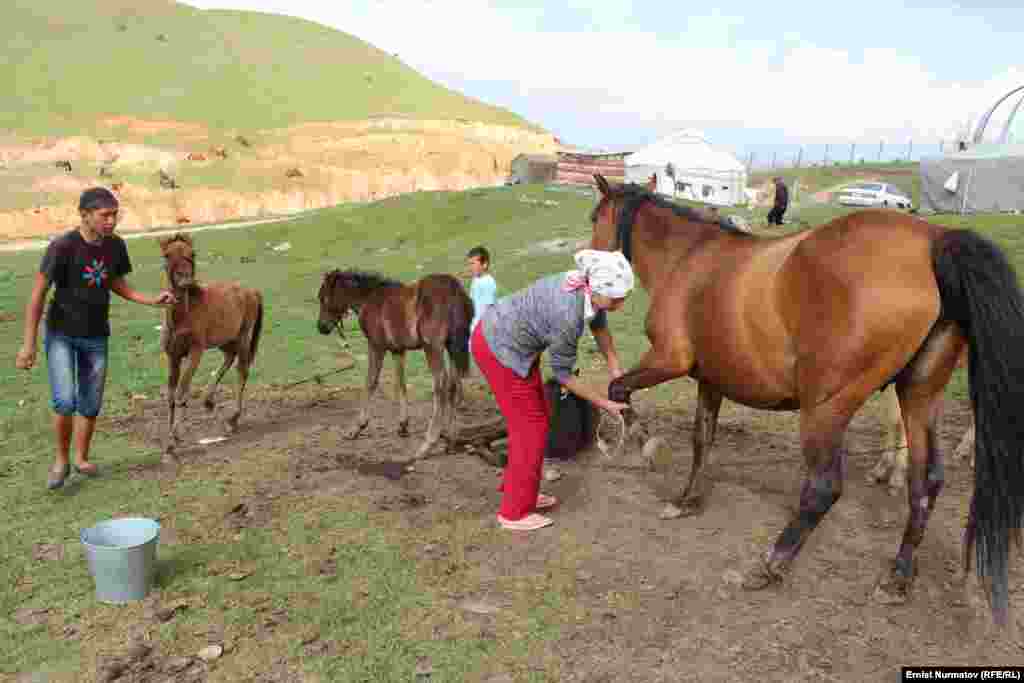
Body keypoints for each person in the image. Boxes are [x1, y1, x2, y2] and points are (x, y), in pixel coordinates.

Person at [15, 188, 176, 490]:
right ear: (85, 215)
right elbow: (37, 295)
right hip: (61, 333)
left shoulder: (115, 246)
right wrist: (28, 344)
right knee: (65, 400)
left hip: (96, 334)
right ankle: (61, 461)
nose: (111, 221)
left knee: (90, 402)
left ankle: (81, 458)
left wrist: (149, 299)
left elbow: (115, 282)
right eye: (105, 215)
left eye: (115, 215)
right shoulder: (62, 247)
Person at [471, 249, 634, 531]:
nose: (621, 303)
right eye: (617, 298)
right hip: (499, 349)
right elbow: (563, 375)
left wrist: (615, 369)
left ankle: (520, 489)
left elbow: (599, 325)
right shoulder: (568, 314)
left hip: (513, 343)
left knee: (537, 420)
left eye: (624, 297)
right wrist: (604, 403)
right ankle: (514, 513)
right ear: (597, 290)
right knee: (530, 428)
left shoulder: (585, 289)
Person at [466, 246, 497, 335]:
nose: (470, 267)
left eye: (473, 264)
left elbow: (489, 310)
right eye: (469, 264)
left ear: (484, 264)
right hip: (473, 327)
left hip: (482, 330)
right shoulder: (476, 279)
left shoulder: (488, 283)